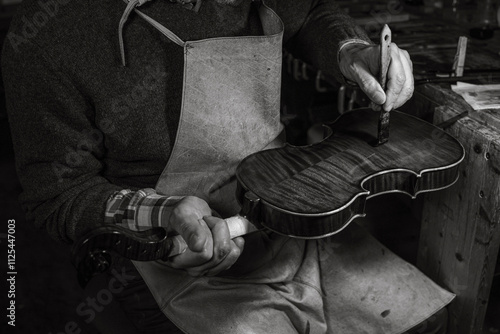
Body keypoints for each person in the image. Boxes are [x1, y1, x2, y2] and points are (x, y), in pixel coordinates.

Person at [2, 0, 451, 333]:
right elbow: (57, 193)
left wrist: (350, 50)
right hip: (168, 254)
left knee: (429, 320)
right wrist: (159, 213)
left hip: (297, 214)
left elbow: (309, 13)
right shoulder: (49, 32)